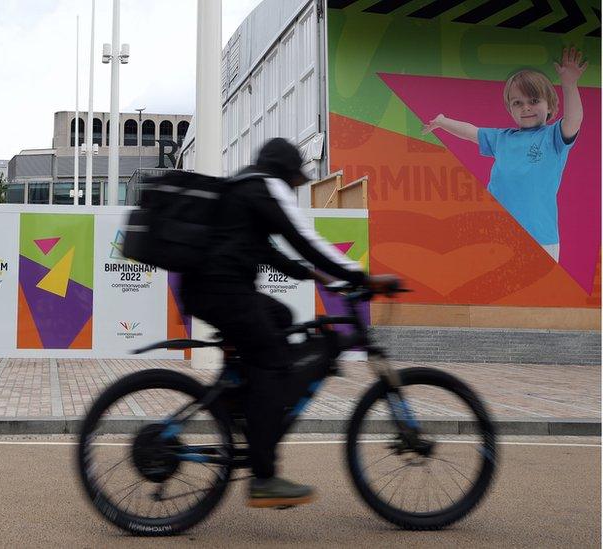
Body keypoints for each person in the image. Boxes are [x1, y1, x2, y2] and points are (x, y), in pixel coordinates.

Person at [180, 137, 397, 509]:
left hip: (211, 289)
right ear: (285, 171)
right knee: (274, 361)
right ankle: (264, 478)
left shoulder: (246, 186)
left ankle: (237, 400)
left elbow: (267, 252)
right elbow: (304, 238)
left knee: (281, 317)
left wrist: (315, 276)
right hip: (221, 290)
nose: (296, 186)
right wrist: (360, 278)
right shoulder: (266, 186)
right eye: (296, 178)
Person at [422, 47, 586, 262]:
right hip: (496, 234)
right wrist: (443, 121)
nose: (526, 107)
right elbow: (470, 131)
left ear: (550, 106)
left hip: (539, 237)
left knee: (537, 294)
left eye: (534, 101)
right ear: (510, 109)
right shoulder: (503, 138)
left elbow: (574, 119)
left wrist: (570, 84)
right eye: (518, 103)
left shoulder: (553, 137)